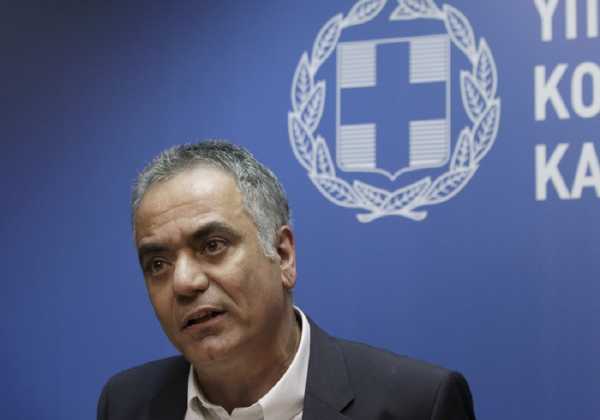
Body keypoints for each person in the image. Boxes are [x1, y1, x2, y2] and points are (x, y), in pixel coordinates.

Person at [97, 140, 476, 420]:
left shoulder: (417, 405)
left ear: (283, 255)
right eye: (157, 264)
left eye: (212, 246)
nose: (183, 282)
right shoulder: (126, 404)